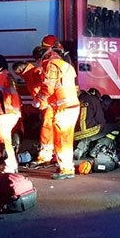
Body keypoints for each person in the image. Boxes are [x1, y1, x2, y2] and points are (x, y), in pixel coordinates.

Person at [35, 45, 80, 179]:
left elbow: (48, 87)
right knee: (65, 139)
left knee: (62, 140)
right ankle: (65, 165)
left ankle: (66, 170)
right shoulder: (65, 64)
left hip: (63, 108)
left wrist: (40, 100)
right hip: (71, 106)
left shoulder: (51, 65)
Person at [0, 54, 20, 175]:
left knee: (5, 140)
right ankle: (10, 164)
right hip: (11, 112)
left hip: (5, 113)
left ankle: (10, 166)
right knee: (5, 140)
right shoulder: (8, 75)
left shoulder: (1, 75)